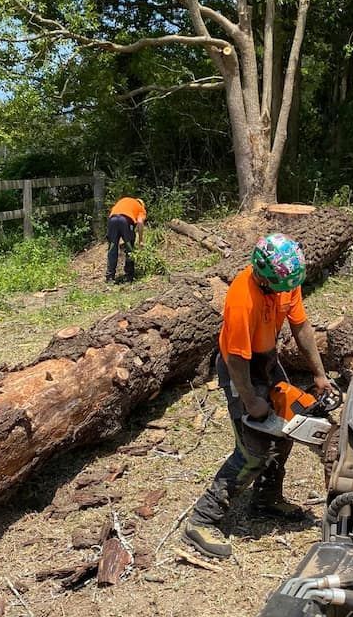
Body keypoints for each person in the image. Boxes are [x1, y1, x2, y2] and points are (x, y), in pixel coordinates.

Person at [183, 233, 332, 560]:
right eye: (280, 287)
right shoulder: (242, 298)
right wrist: (250, 399)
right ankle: (202, 519)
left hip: (266, 360)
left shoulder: (285, 279)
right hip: (241, 367)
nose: (286, 292)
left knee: (288, 429)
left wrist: (319, 374)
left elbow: (301, 328)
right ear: (263, 276)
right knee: (254, 450)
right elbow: (235, 359)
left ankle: (266, 500)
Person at [106, 196, 147, 284]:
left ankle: (110, 277)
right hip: (125, 221)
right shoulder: (141, 208)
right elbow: (140, 222)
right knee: (130, 249)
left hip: (112, 220)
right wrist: (141, 240)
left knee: (112, 248)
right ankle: (129, 276)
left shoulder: (123, 200)